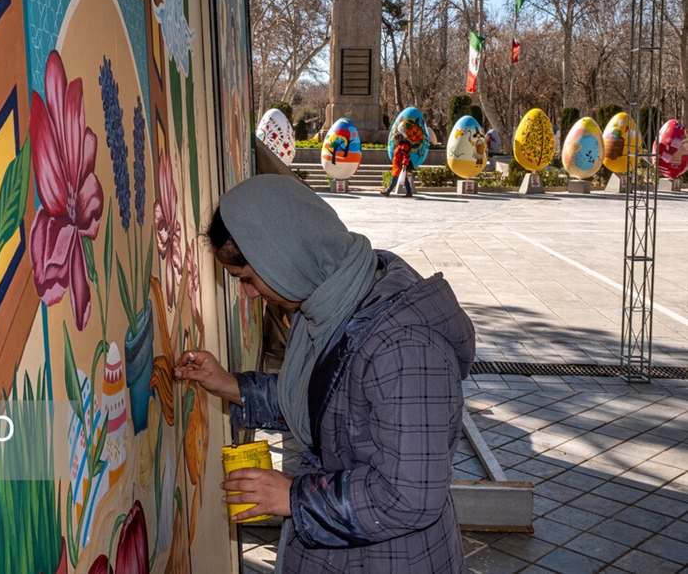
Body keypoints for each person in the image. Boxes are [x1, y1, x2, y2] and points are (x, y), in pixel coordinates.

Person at [175, 174, 475, 574]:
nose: (247, 294)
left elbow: (410, 495)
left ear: (281, 256)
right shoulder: (328, 301)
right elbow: (329, 405)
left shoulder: (404, 344)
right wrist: (230, 385)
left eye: (246, 279)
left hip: (392, 558)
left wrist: (293, 497)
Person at [382, 127, 413, 197]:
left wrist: (404, 164)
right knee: (404, 179)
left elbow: (406, 156)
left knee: (394, 179)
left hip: (400, 166)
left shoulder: (403, 146)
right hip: (397, 166)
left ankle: (388, 191)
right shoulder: (400, 145)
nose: (395, 140)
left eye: (396, 139)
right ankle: (409, 192)